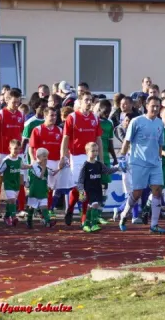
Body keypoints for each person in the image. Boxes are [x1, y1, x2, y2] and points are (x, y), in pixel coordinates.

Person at [119, 96, 165, 234]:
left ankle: (154, 225)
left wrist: (159, 158)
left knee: (157, 190)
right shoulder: (136, 121)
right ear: (147, 106)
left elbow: (160, 144)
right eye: (153, 106)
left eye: (158, 106)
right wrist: (122, 157)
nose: (156, 109)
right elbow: (127, 142)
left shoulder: (160, 123)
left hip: (155, 163)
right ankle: (124, 215)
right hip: (138, 162)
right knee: (137, 193)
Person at [60, 91, 103, 226]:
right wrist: (63, 156)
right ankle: (71, 209)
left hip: (91, 156)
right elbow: (65, 138)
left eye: (90, 100)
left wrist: (100, 158)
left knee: (88, 187)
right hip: (76, 156)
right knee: (78, 188)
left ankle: (84, 218)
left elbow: (98, 139)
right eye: (86, 100)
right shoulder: (72, 117)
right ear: (80, 102)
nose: (89, 102)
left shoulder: (95, 118)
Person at [0, 89, 27, 216]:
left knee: (20, 179)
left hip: (17, 153)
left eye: (18, 102)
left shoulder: (21, 115)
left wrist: (21, 150)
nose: (16, 105)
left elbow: (21, 133)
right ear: (7, 100)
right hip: (2, 152)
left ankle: (21, 208)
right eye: (14, 102)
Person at [30, 107, 69, 219]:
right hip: (44, 162)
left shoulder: (60, 130)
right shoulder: (37, 129)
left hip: (57, 161)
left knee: (56, 187)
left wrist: (65, 159)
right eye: (51, 115)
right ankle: (39, 209)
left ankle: (49, 208)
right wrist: (34, 160)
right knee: (44, 187)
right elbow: (31, 147)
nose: (53, 118)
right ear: (45, 116)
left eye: (55, 115)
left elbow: (65, 147)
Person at [75, 142, 120, 232]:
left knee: (91, 207)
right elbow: (80, 180)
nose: (95, 153)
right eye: (93, 151)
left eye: (96, 151)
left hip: (97, 189)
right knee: (94, 205)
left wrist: (118, 168)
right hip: (88, 190)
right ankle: (94, 224)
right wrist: (81, 191)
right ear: (87, 152)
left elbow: (107, 171)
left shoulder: (99, 164)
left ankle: (86, 224)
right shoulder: (85, 165)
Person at [0, 139, 29, 226]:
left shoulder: (19, 159)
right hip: (8, 184)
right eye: (15, 148)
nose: (17, 151)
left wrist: (32, 166)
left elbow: (23, 166)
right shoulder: (7, 160)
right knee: (12, 200)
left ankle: (6, 216)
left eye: (18, 149)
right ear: (10, 148)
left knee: (11, 202)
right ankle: (13, 217)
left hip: (16, 184)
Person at [26, 148, 60, 229]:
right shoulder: (34, 166)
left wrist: (60, 168)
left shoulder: (46, 167)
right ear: (38, 156)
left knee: (44, 206)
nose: (46, 158)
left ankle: (48, 221)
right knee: (32, 207)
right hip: (35, 190)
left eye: (47, 156)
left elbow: (52, 173)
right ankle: (29, 220)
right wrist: (44, 167)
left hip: (43, 189)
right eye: (44, 156)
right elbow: (40, 176)